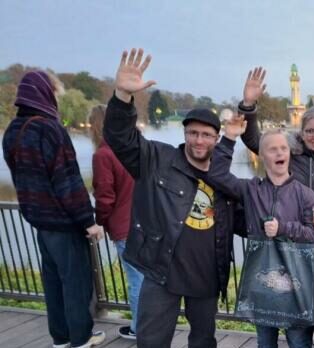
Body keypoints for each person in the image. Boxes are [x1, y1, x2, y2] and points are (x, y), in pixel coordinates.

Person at [104, 48, 242, 348]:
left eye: (206, 135)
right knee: (152, 341)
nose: (199, 140)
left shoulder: (223, 178)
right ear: (185, 134)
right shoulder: (157, 158)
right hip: (161, 270)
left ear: (216, 139)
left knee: (204, 340)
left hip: (206, 276)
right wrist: (122, 97)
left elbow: (244, 219)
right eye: (193, 133)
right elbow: (120, 139)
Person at [238, 68, 314, 348]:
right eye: (310, 131)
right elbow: (255, 141)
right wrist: (249, 107)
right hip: (285, 259)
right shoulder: (291, 157)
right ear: (302, 133)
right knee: (288, 326)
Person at [2, 71, 105, 348]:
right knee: (76, 283)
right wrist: (88, 221)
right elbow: (68, 180)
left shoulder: (13, 131)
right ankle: (81, 338)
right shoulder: (49, 128)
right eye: (55, 93)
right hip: (63, 221)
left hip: (39, 221)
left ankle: (60, 337)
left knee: (53, 282)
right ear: (44, 94)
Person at [207, 111, 314, 348]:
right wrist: (229, 138)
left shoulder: (305, 194)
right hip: (262, 282)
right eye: (272, 149)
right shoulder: (250, 189)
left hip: (295, 282)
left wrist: (284, 228)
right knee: (265, 341)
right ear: (261, 156)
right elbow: (216, 175)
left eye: (283, 148)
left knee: (299, 342)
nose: (280, 152)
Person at [89, 104, 142, 340]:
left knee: (136, 280)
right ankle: (154, 324)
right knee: (148, 278)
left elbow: (105, 195)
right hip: (147, 223)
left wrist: (100, 220)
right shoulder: (135, 148)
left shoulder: (103, 155)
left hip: (124, 226)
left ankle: (139, 328)